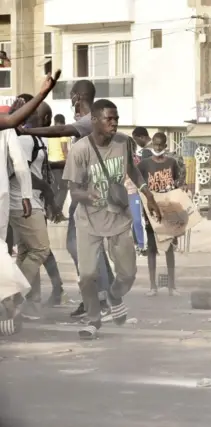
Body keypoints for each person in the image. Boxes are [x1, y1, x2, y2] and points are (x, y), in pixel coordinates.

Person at [62, 99, 162, 340]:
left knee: (127, 275)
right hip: (88, 221)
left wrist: (147, 193)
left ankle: (114, 295)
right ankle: (93, 320)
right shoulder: (80, 150)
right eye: (109, 118)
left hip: (118, 218)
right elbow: (73, 190)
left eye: (116, 118)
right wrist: (87, 194)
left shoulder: (124, 142)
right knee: (86, 276)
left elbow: (132, 169)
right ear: (94, 121)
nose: (114, 123)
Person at [20, 79, 115, 319]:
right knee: (91, 247)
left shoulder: (89, 120)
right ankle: (104, 297)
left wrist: (27, 129)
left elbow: (61, 130)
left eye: (71, 96)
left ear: (76, 97)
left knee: (79, 247)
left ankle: (100, 301)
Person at [0, 70, 61, 336]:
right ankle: (10, 304)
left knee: (6, 257)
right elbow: (20, 167)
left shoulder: (8, 127)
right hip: (9, 200)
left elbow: (20, 166)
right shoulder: (15, 131)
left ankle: (9, 306)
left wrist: (43, 92)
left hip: (4, 200)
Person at [8, 96, 65, 317]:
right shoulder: (23, 138)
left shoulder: (30, 138)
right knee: (40, 249)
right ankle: (13, 297)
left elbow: (35, 166)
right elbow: (23, 173)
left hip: (27, 200)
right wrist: (49, 193)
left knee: (26, 251)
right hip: (25, 201)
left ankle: (19, 303)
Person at [137, 132, 183, 297]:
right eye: (155, 145)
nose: (157, 148)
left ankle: (172, 287)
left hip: (168, 211)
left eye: (160, 145)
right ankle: (152, 286)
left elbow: (178, 184)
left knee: (169, 248)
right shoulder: (144, 165)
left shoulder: (172, 163)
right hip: (151, 212)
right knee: (151, 248)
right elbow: (138, 183)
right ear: (152, 145)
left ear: (165, 146)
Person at [47, 114, 71, 210]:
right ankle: (55, 211)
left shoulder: (50, 132)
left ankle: (51, 211)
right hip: (61, 164)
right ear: (63, 121)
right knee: (63, 188)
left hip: (50, 163)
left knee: (54, 189)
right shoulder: (63, 131)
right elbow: (64, 149)